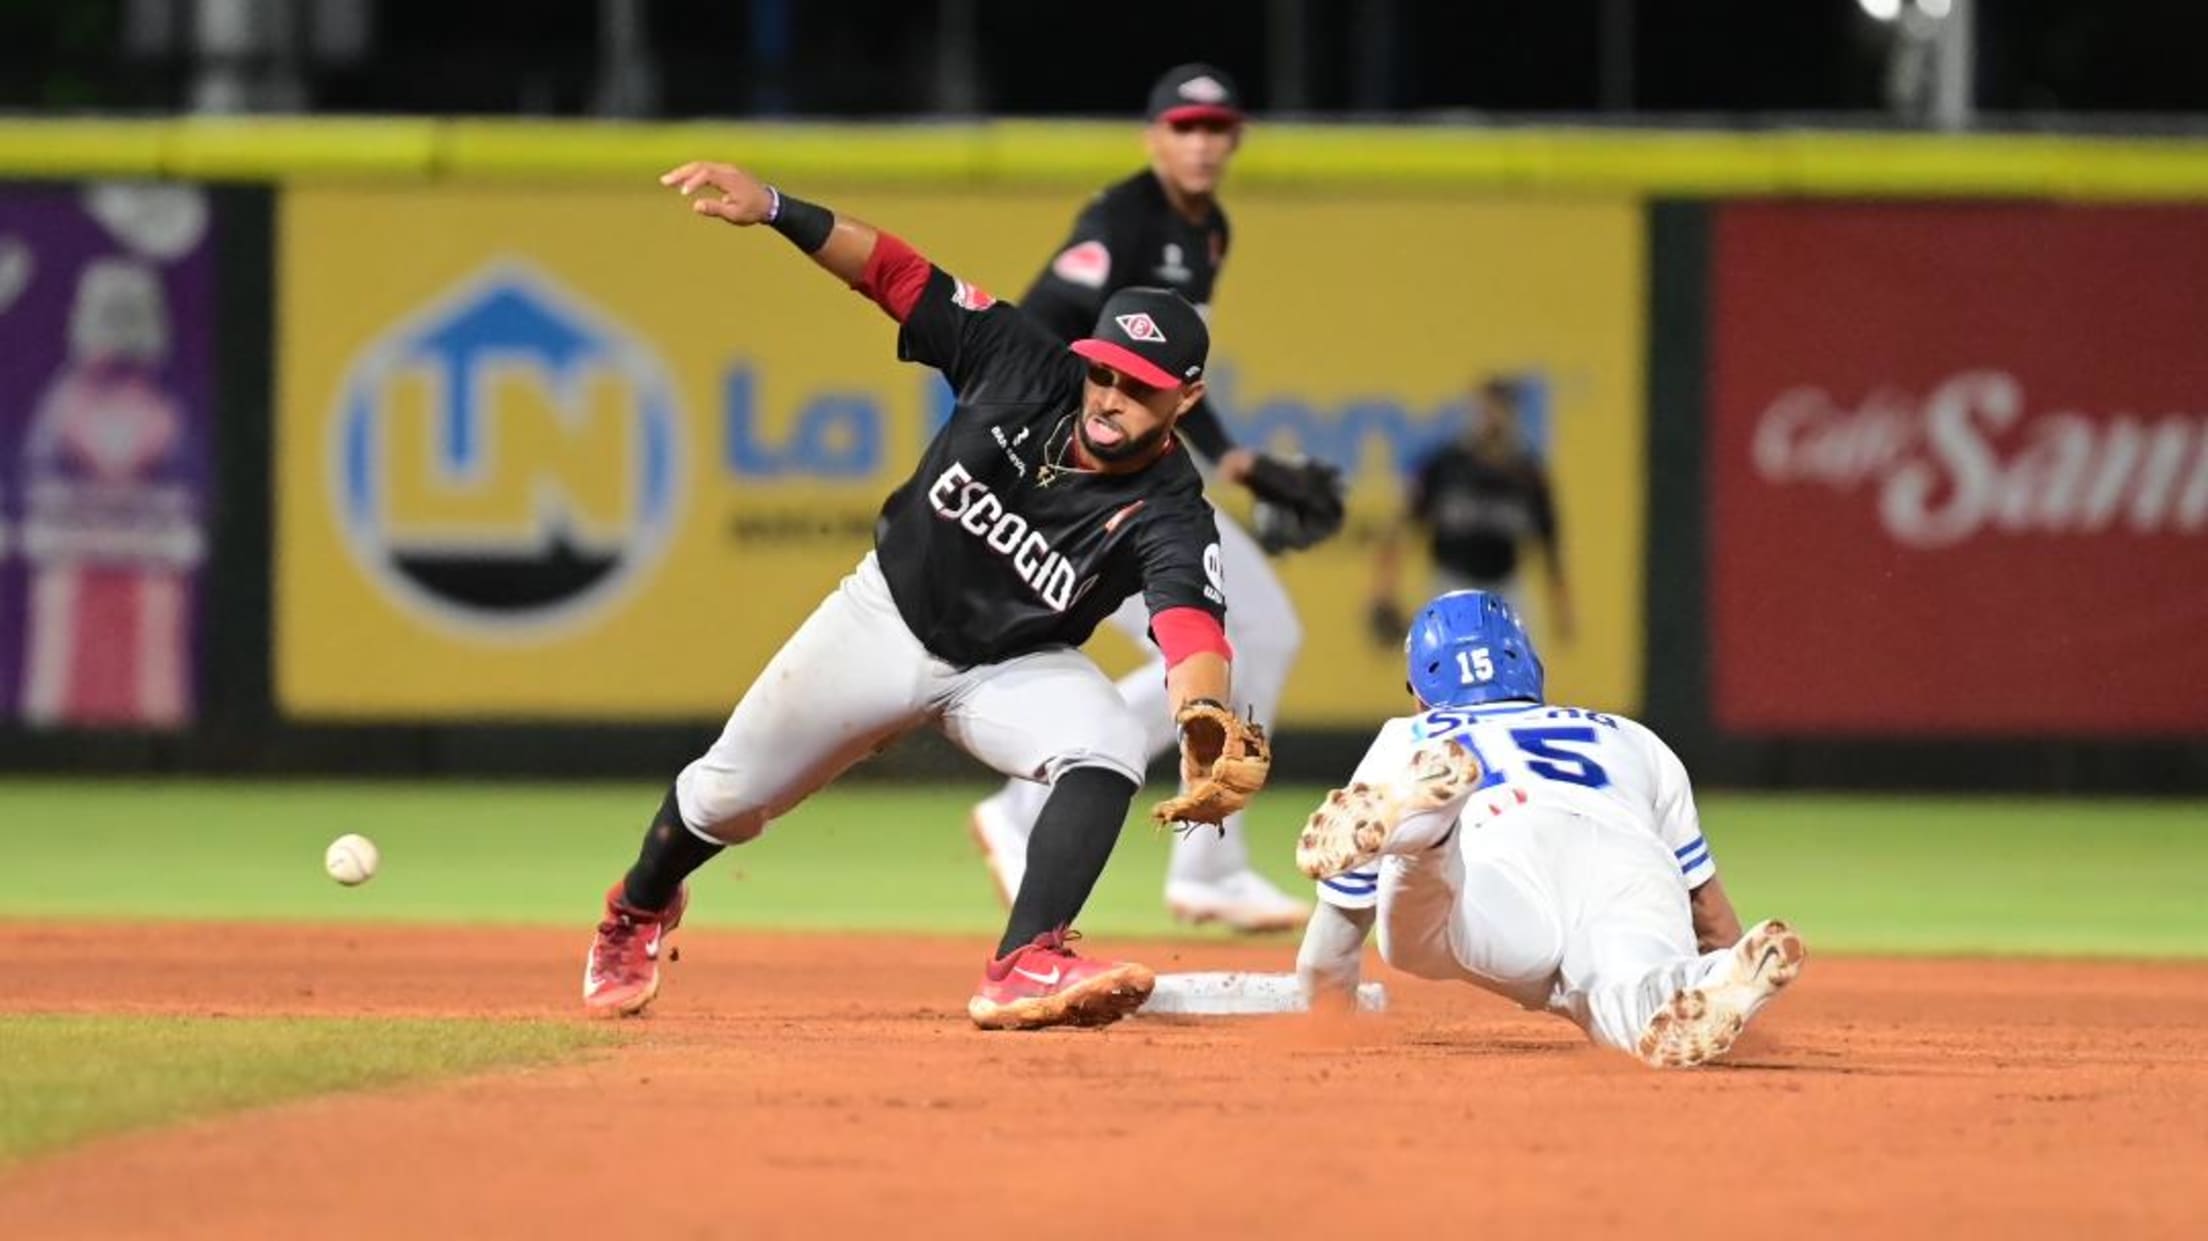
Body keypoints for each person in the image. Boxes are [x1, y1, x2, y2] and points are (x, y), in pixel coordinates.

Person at [583, 159, 1269, 1031]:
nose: (1111, 396)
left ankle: (1027, 959)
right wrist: (778, 210)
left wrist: (1203, 714)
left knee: (1105, 741)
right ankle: (639, 907)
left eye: (1141, 386)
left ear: (1188, 397)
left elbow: (1188, 623)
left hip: (1010, 666)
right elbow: (899, 274)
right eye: (1105, 373)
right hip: (885, 618)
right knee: (722, 797)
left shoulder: (1172, 509)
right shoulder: (1023, 363)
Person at [969, 63, 1343, 934]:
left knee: (1265, 634)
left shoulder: (1209, 230)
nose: (1202, 143)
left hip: (1146, 472)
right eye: (1184, 127)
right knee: (1217, 644)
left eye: (1217, 129)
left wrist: (1235, 460)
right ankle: (1026, 811)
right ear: (1153, 137)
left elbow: (1165, 378)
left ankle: (1205, 861)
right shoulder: (1117, 223)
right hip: (1086, 485)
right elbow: (1032, 330)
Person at [1294, 591, 1804, 1067]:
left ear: (1421, 695)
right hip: (1629, 861)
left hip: (1502, 858)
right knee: (1631, 1007)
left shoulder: (1411, 737)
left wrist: (1330, 1017)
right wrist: (1730, 968)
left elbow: (1331, 948)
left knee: (1413, 942)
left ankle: (1431, 835)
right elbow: (1708, 913)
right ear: (1532, 669)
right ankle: (1711, 979)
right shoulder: (1635, 737)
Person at [1369, 376, 1572, 648]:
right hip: (1450, 585)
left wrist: (1562, 608)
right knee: (1448, 676)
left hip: (1507, 587)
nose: (1492, 418)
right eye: (1486, 409)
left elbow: (1550, 547)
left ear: (1513, 415)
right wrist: (1384, 593)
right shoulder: (1443, 467)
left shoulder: (1528, 475)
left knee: (1522, 674)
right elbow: (1399, 530)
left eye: (1500, 408)